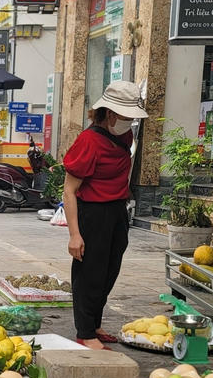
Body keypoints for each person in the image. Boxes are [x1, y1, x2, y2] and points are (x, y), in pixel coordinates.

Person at [62, 80, 148, 349]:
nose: (130, 121)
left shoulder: (124, 136)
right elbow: (69, 191)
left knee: (109, 270)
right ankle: (85, 333)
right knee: (90, 273)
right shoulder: (87, 142)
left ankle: (95, 324)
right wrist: (75, 235)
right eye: (126, 116)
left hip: (117, 211)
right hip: (92, 214)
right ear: (110, 113)